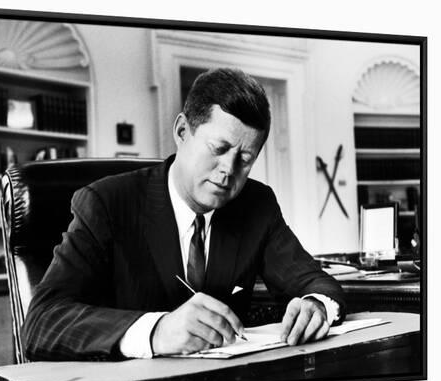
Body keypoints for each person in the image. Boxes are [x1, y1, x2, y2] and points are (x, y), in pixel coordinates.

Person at [22, 68, 345, 361]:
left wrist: (316, 305)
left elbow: (315, 281)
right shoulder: (106, 203)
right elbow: (42, 322)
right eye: (218, 149)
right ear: (181, 132)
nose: (228, 171)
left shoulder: (256, 204)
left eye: (245, 159)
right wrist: (157, 331)